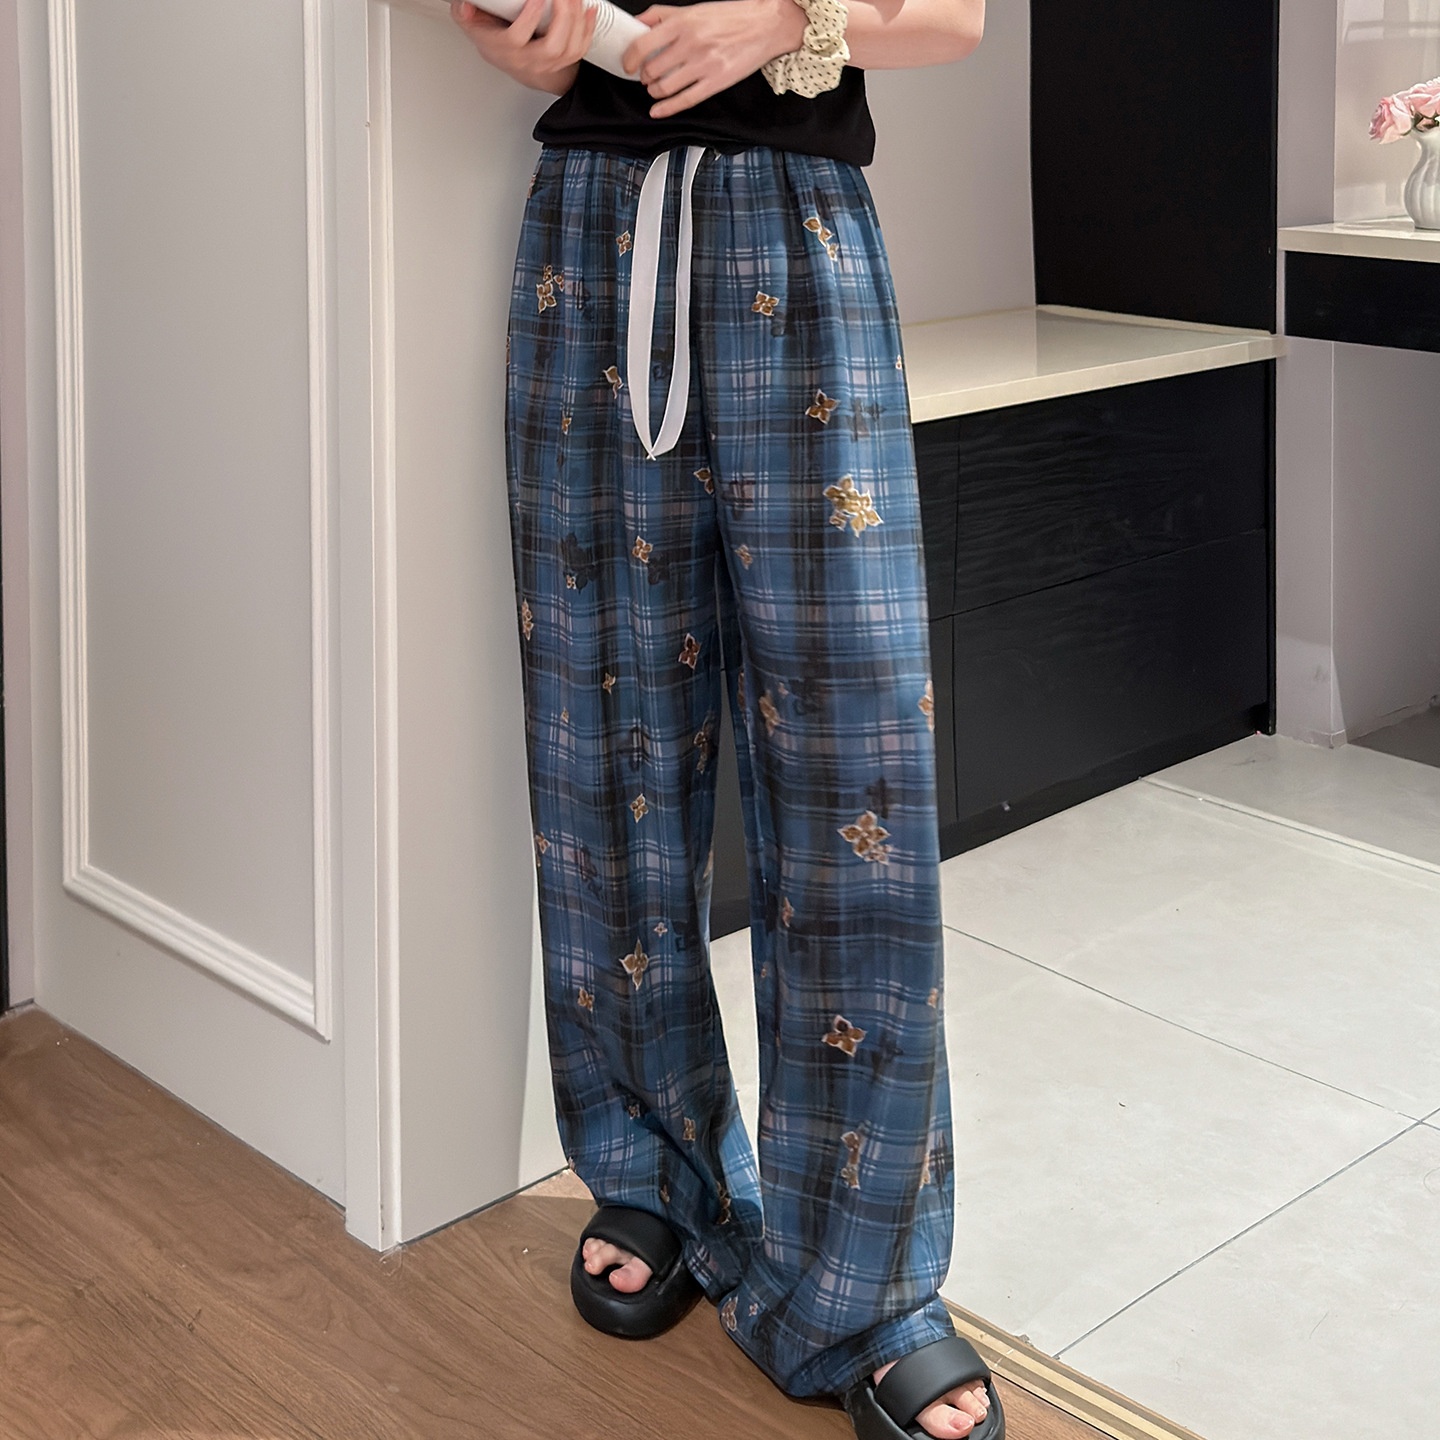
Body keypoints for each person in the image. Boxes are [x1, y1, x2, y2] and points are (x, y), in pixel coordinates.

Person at [450, 0, 997, 1434]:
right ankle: (653, 1165)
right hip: (588, 234)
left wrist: (787, 18)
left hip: (794, 234)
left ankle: (864, 1285)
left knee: (852, 755)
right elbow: (509, 33)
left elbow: (952, 21)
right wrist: (523, 34)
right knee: (602, 723)